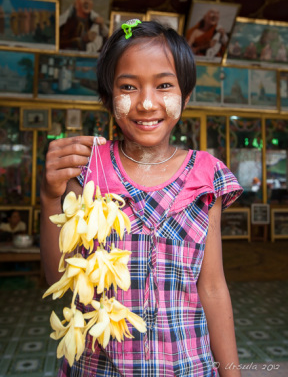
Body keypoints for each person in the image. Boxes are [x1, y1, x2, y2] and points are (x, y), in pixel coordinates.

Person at [41, 20, 243, 377]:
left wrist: (232, 372)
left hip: (186, 365)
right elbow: (57, 274)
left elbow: (212, 286)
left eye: (164, 85)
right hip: (99, 367)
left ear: (186, 95)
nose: (147, 102)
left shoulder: (205, 176)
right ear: (107, 98)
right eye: (129, 87)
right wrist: (50, 198)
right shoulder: (88, 172)